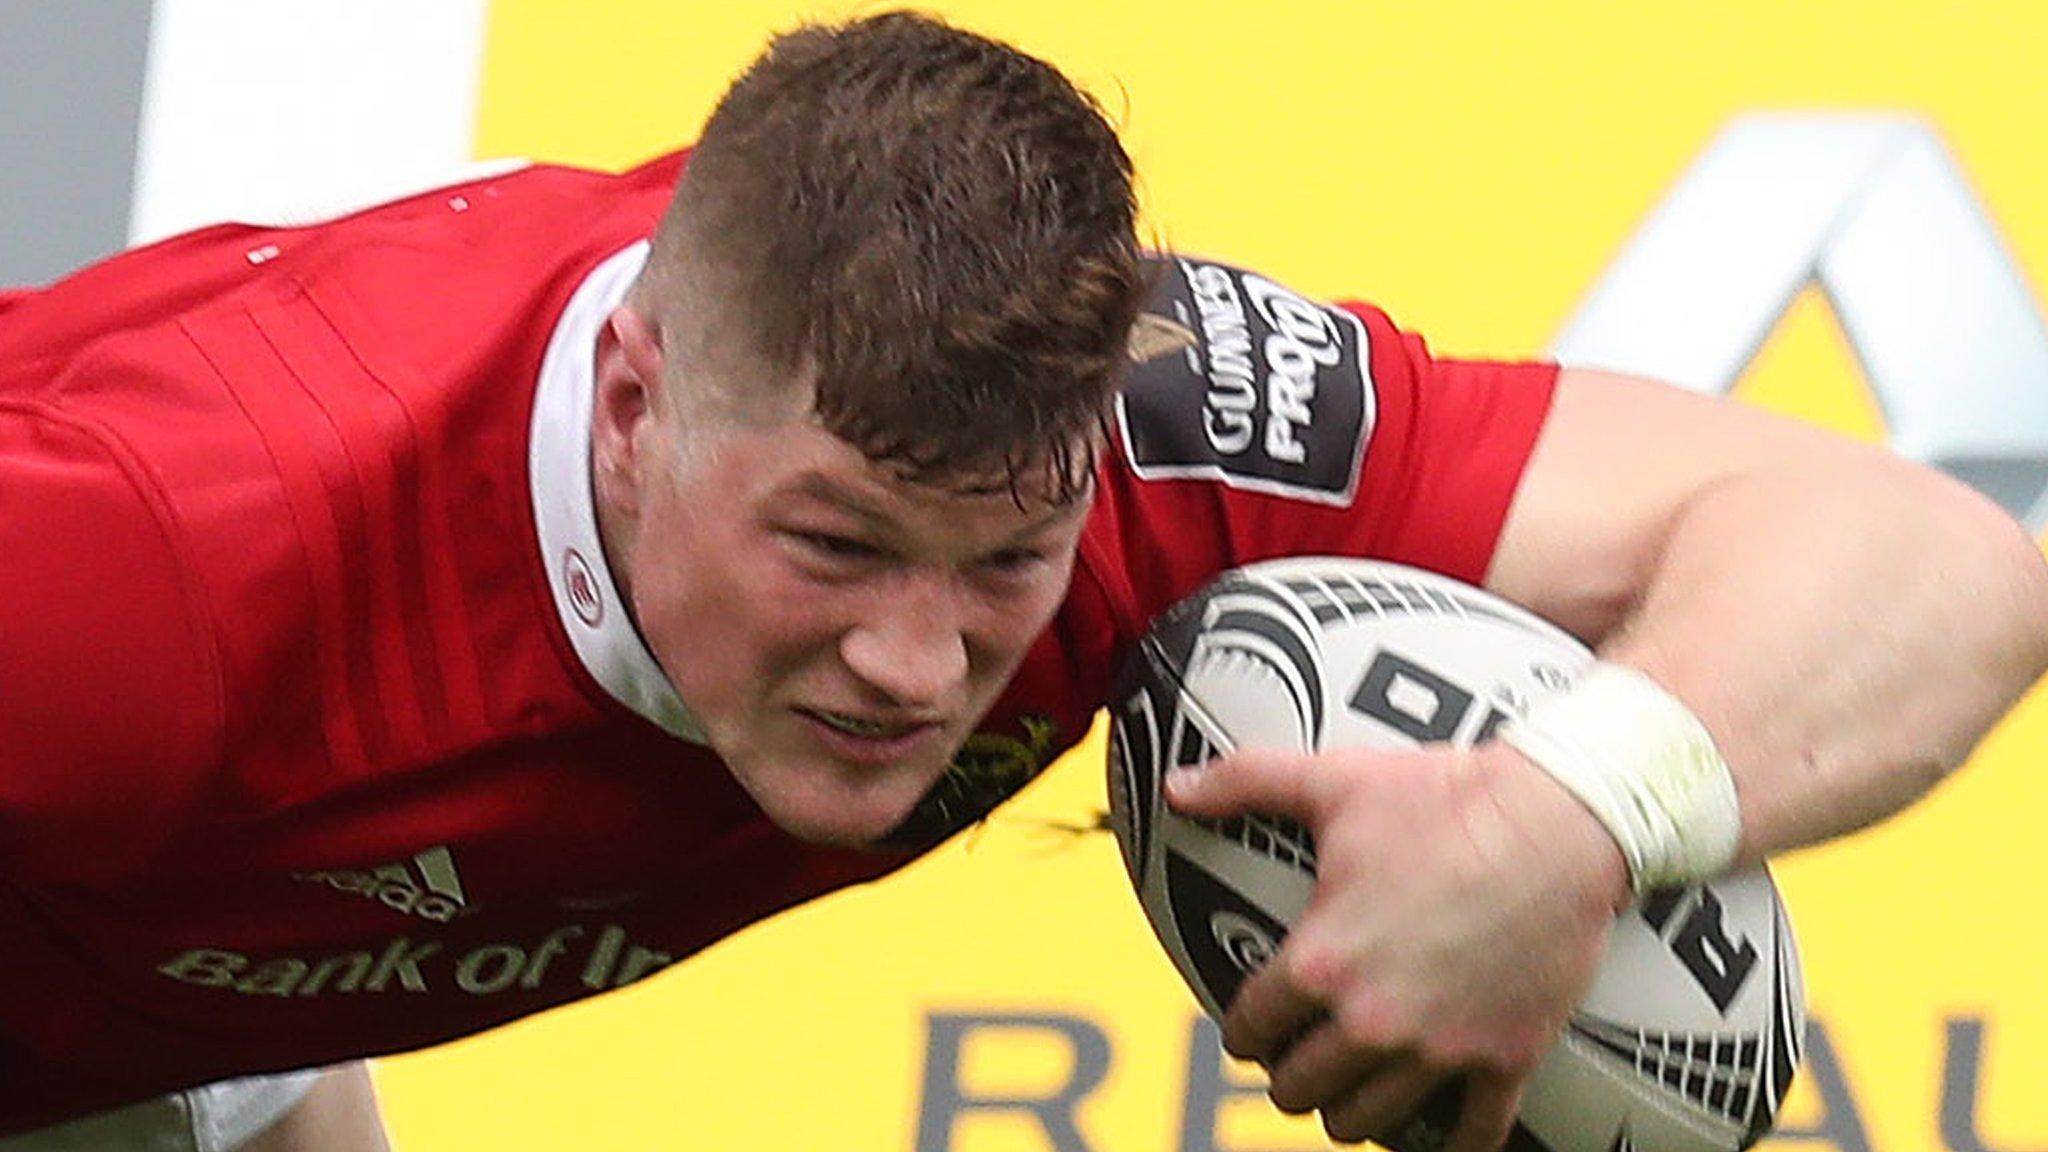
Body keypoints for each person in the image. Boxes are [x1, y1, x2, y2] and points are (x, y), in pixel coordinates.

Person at [2, 12, 2043, 1152]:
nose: (917, 663)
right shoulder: (153, 569)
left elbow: (1936, 568)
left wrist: (1563, 820)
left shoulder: (1163, 440)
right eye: (831, 545)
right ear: (631, 406)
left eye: (1005, 562)